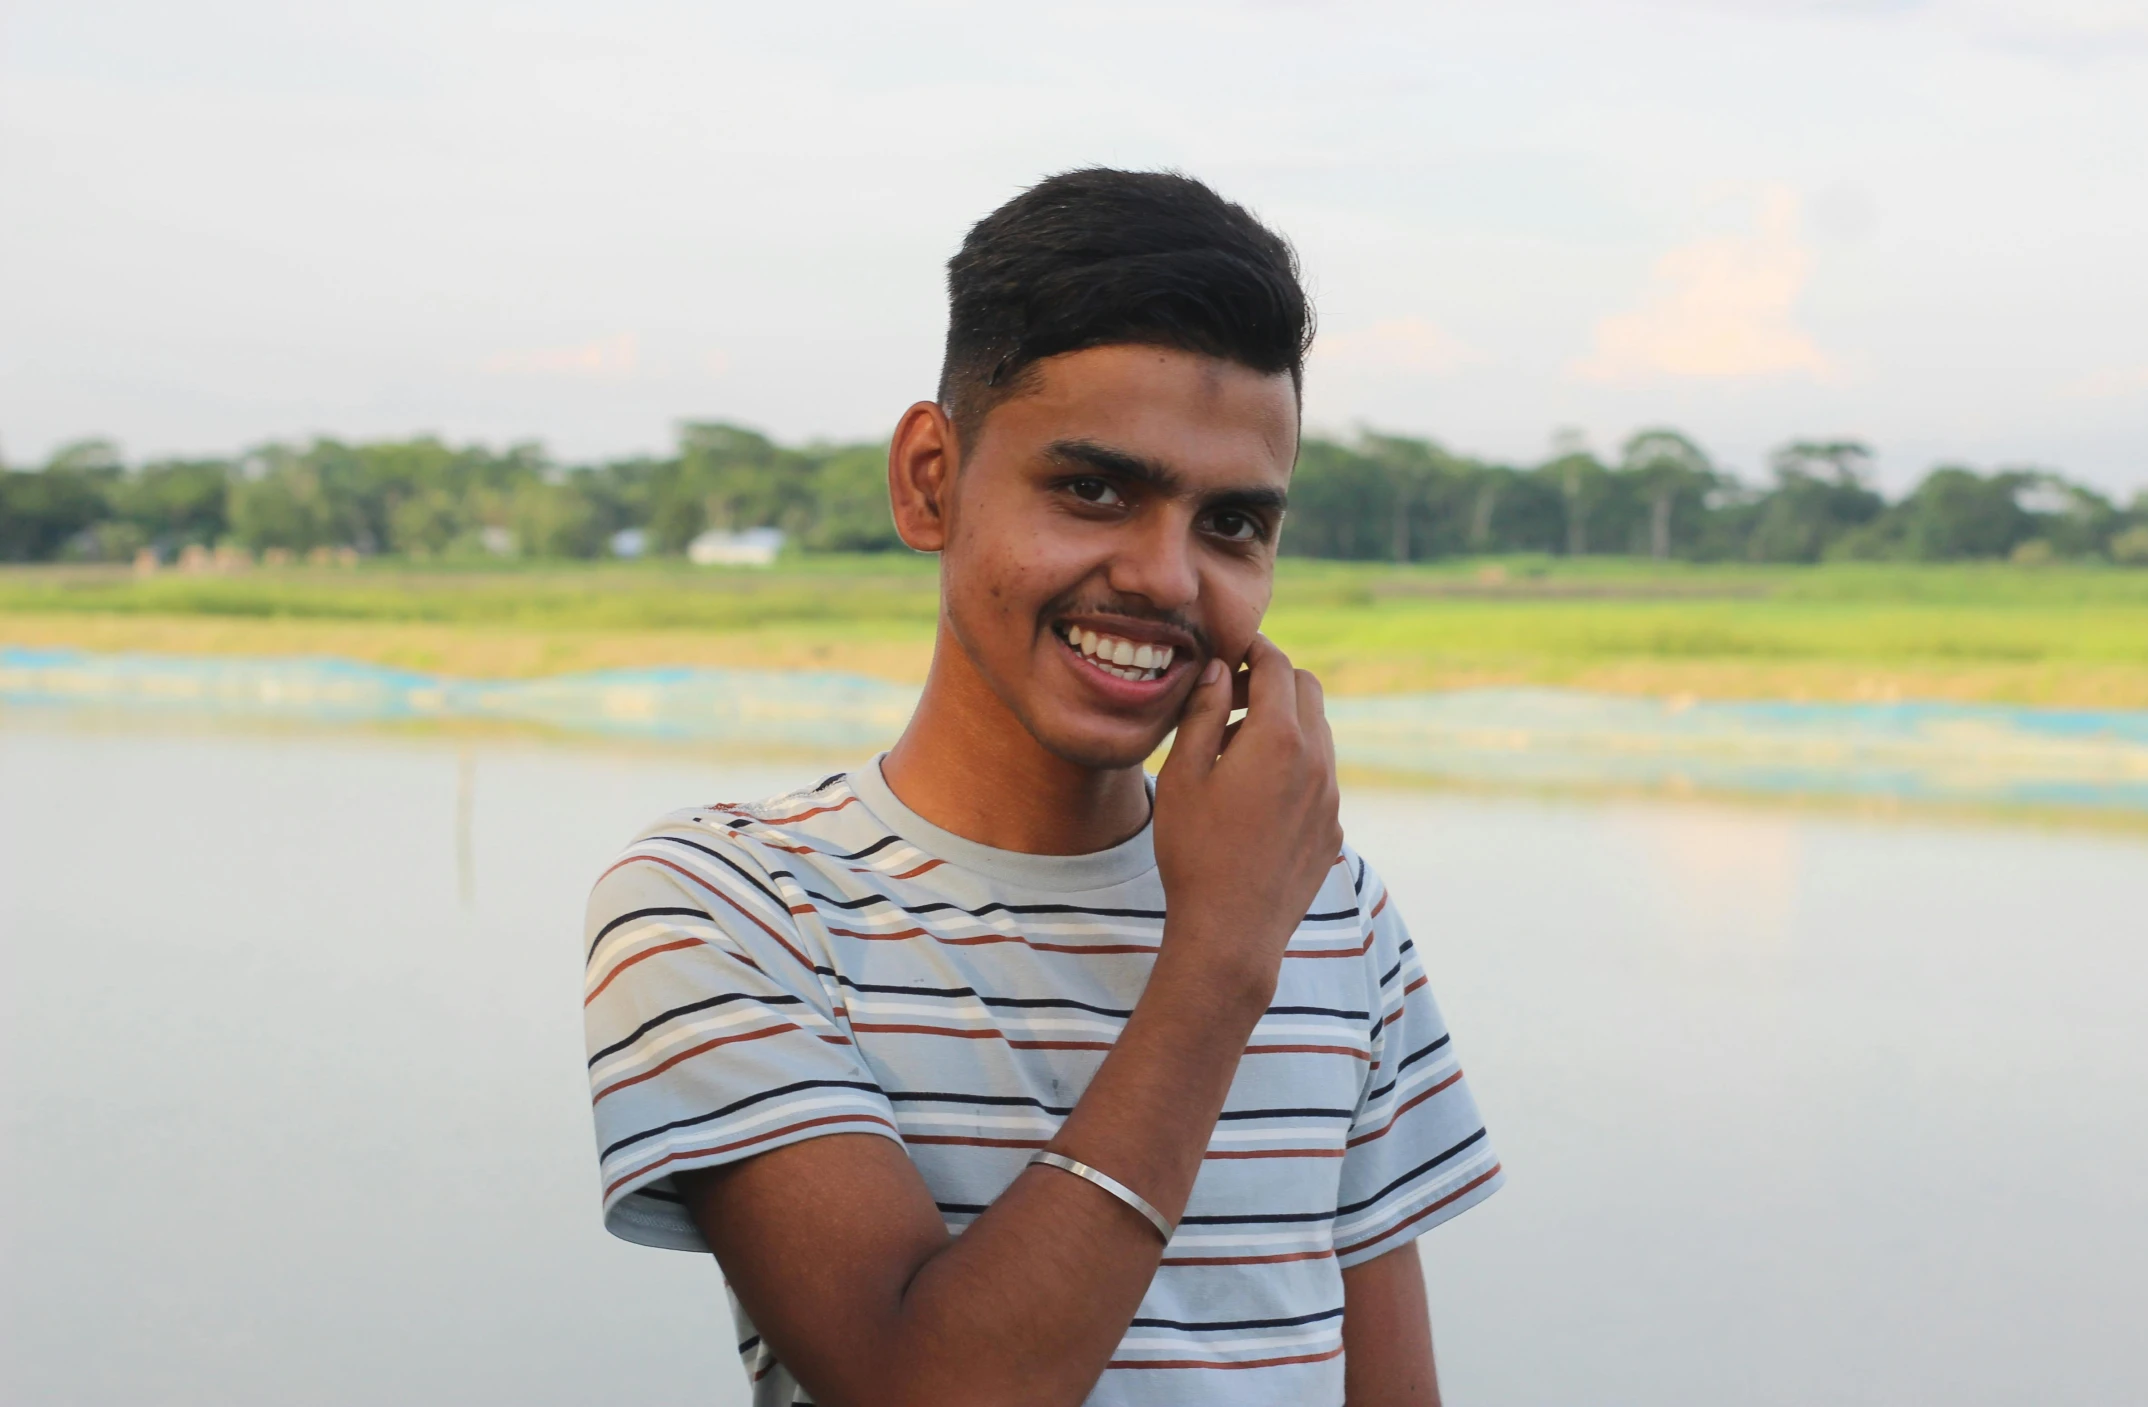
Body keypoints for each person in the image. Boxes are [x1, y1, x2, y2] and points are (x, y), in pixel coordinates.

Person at [582, 169, 1502, 1405]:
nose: (1165, 577)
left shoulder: (1334, 914)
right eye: (1094, 488)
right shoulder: (733, 907)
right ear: (928, 480)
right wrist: (1220, 954)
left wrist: (1261, 915)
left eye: (1231, 523)